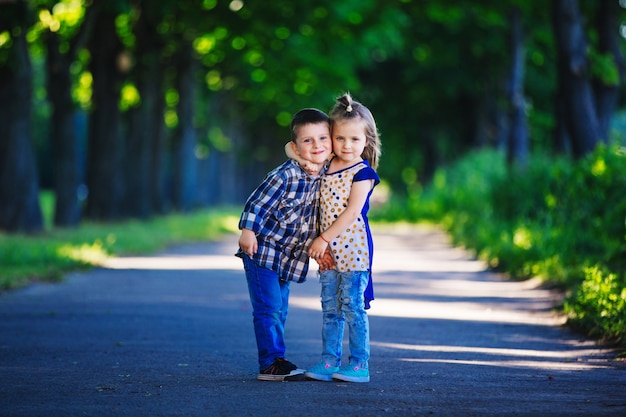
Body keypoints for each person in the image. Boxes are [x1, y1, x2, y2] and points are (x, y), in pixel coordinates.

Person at [236, 108, 333, 381]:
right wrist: (247, 231)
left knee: (280, 308)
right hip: (262, 251)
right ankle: (270, 363)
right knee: (268, 308)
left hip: (288, 258)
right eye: (307, 141)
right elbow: (257, 202)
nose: (316, 146)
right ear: (294, 146)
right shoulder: (285, 175)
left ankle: (276, 359)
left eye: (323, 139)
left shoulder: (325, 171)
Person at [305, 93, 381, 383]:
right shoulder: (324, 165)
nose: (347, 146)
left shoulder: (363, 172)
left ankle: (360, 364)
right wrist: (323, 245)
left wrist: (322, 238)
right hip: (328, 254)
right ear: (330, 137)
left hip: (354, 252)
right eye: (340, 139)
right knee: (330, 309)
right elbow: (293, 148)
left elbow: (351, 213)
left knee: (352, 306)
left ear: (367, 141)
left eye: (355, 139)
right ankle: (329, 361)